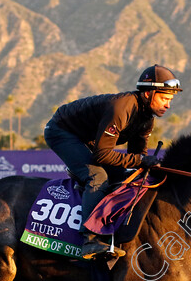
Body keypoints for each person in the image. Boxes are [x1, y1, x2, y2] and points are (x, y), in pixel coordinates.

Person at [44, 64, 182, 259]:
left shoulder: (146, 119)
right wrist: (141, 160)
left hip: (89, 138)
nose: (168, 105)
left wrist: (149, 165)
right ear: (149, 94)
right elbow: (102, 155)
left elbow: (137, 159)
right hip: (62, 131)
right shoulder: (122, 108)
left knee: (124, 175)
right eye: (164, 98)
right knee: (97, 176)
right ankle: (90, 240)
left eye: (170, 100)